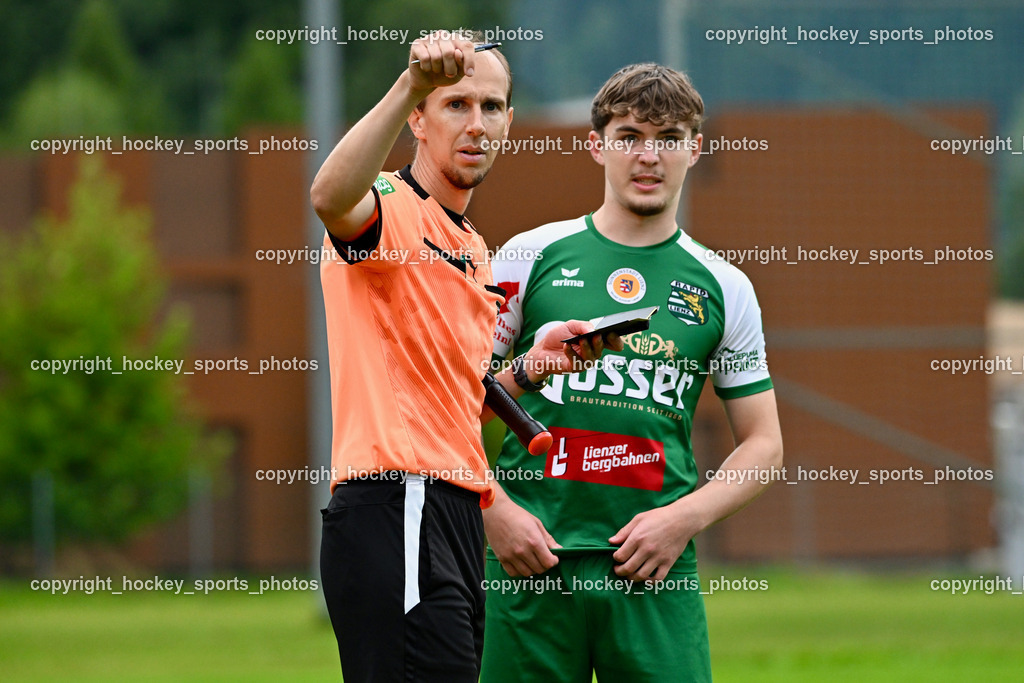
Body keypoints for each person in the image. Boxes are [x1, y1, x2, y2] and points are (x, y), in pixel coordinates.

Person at [310, 31, 616, 682]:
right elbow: (329, 197)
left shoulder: (474, 248)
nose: (477, 124)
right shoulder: (387, 208)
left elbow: (462, 413)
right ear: (418, 119)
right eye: (456, 105)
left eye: (493, 106)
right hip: (394, 504)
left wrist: (531, 367)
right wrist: (409, 82)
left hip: (448, 514)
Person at [481, 63, 784, 682]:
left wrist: (685, 518)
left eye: (669, 138)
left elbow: (766, 444)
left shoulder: (726, 285)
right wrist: (494, 512)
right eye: (629, 136)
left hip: (654, 574)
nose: (649, 156)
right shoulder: (528, 255)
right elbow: (454, 404)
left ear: (694, 150)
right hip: (528, 567)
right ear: (597, 145)